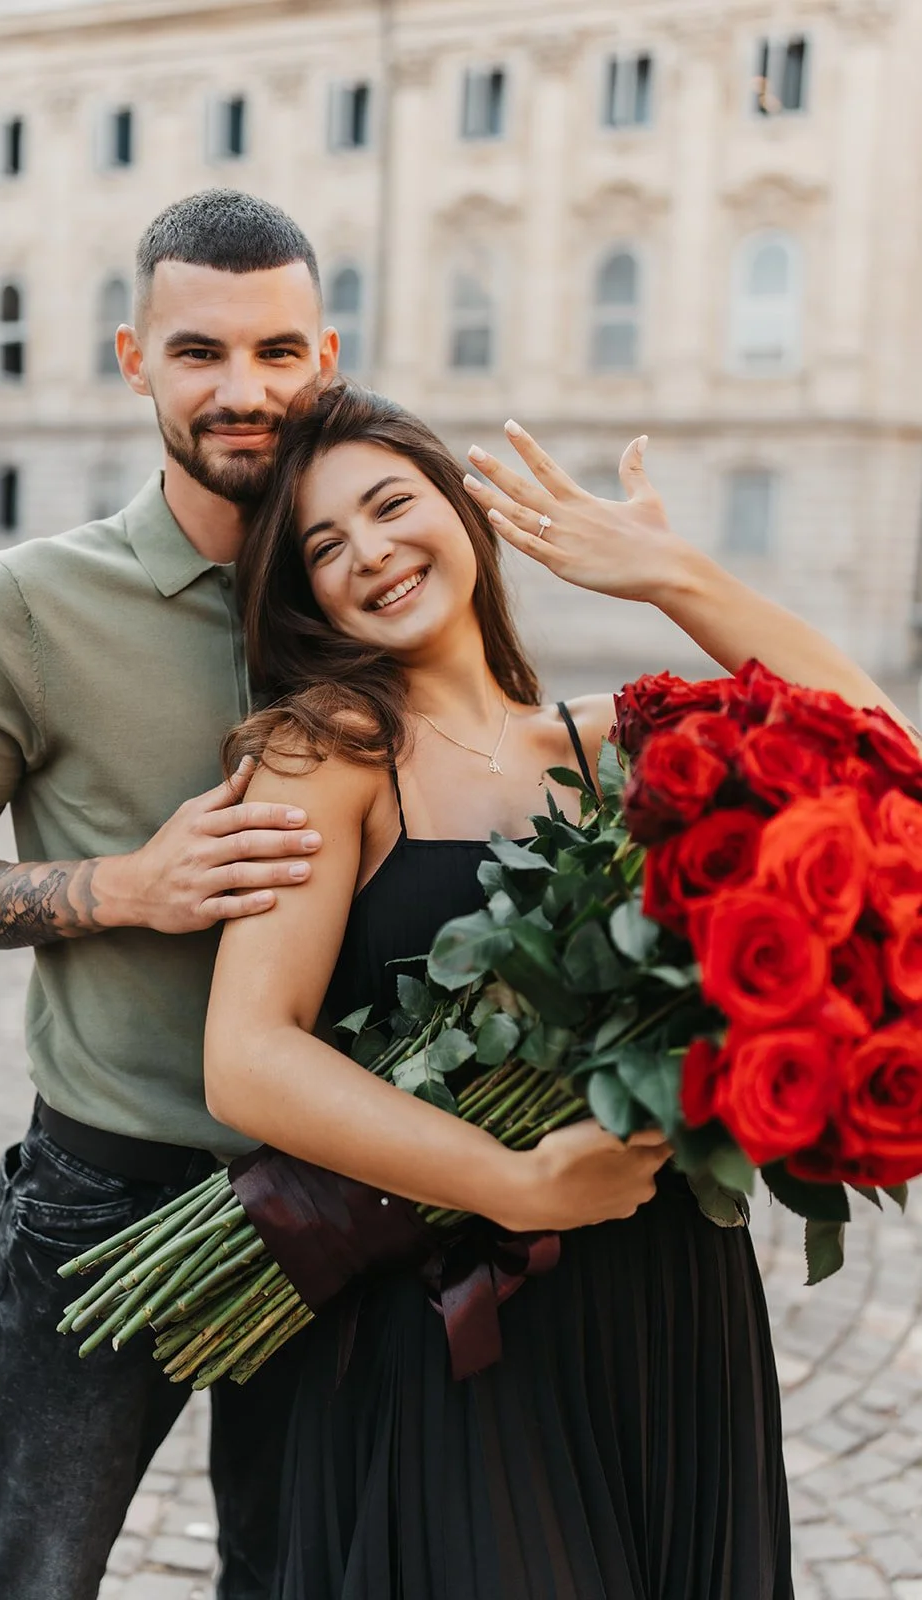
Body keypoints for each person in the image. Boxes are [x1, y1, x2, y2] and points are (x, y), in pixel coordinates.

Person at [204, 379, 917, 1599]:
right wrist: (518, 1179)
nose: (369, 552)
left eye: (389, 504)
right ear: (303, 594)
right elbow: (247, 1059)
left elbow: (884, 753)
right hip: (458, 1320)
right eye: (324, 546)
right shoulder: (325, 748)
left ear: (462, 512)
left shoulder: (612, 745)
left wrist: (670, 576)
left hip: (669, 1299)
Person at [0, 190, 341, 1600]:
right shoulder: (23, 604)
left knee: (298, 1576)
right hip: (104, 1195)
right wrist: (122, 889)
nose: (240, 391)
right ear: (134, 358)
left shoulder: (372, 584)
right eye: (198, 352)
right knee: (36, 1581)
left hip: (338, 1203)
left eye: (274, 352)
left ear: (325, 353)